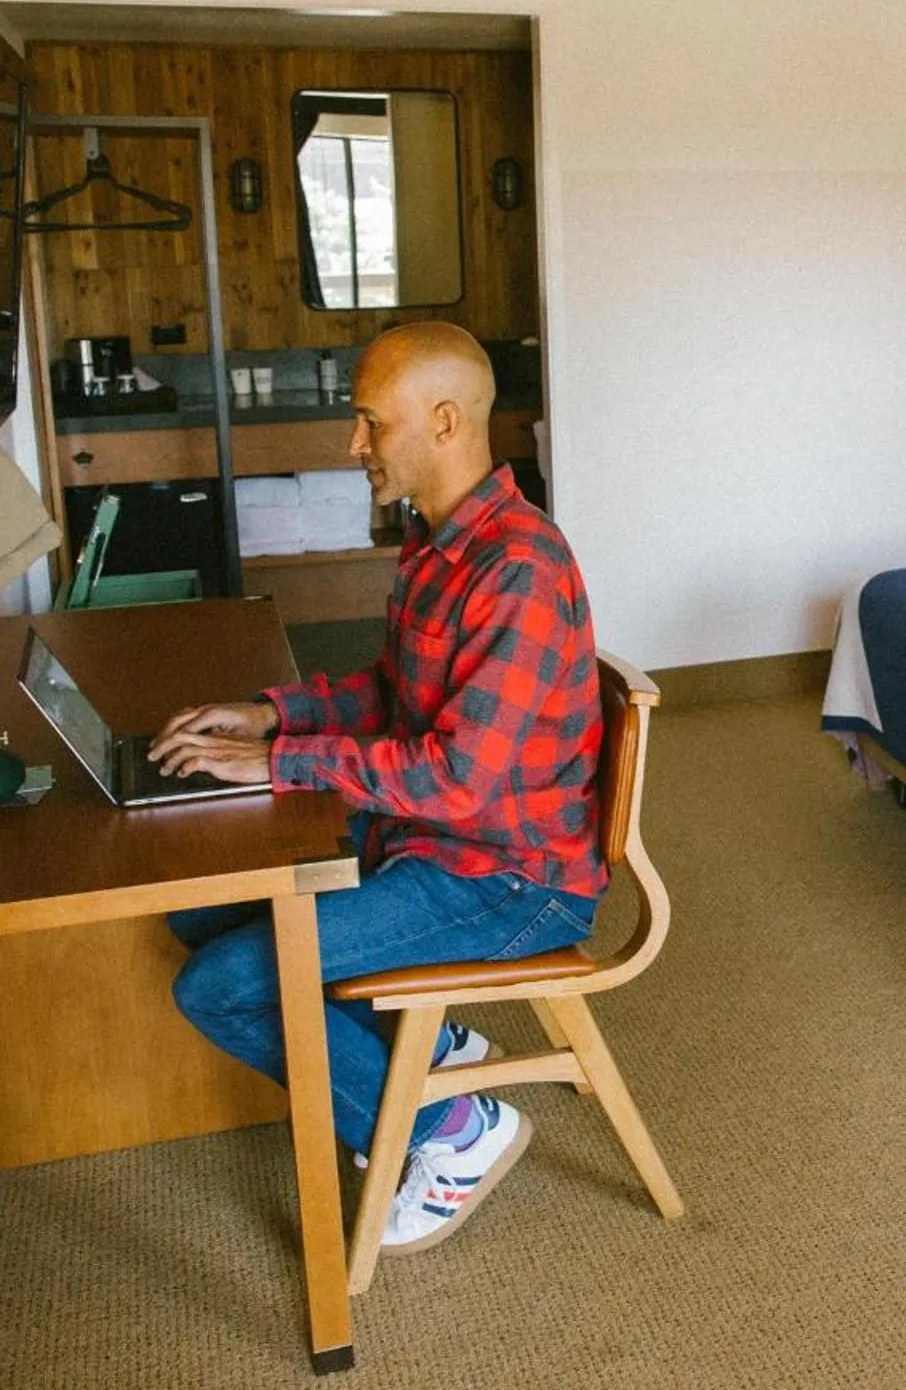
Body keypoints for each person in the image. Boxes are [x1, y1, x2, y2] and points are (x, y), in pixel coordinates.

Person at [149, 322, 603, 1254]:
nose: (353, 446)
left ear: (443, 422)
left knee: (220, 987)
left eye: (367, 423)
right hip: (429, 843)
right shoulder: (437, 540)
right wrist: (274, 715)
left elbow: (458, 778)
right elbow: (394, 692)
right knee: (201, 906)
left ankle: (454, 1133)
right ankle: (431, 1052)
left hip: (511, 879)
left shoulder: (516, 568)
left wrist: (282, 766)